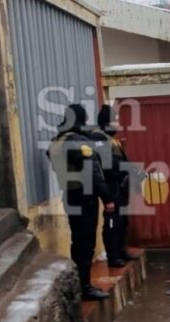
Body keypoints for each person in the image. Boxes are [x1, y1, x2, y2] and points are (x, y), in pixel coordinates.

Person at [47, 104, 113, 300]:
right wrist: (107, 198)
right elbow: (92, 173)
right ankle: (85, 287)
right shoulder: (78, 142)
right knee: (86, 243)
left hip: (70, 195)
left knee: (78, 241)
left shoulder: (57, 141)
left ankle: (79, 284)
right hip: (85, 197)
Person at [91, 105, 146, 268]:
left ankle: (121, 251)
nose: (118, 123)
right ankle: (113, 256)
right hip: (110, 185)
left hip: (120, 185)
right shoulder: (98, 139)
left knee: (122, 221)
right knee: (112, 222)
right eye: (115, 120)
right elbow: (108, 164)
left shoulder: (111, 139)